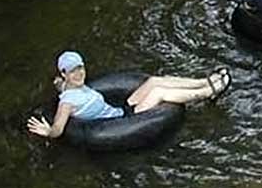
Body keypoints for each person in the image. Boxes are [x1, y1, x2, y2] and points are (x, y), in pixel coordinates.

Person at [27, 51, 231, 139]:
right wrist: (48, 131)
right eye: (73, 71)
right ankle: (208, 92)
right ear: (65, 73)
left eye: (80, 68)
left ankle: (204, 81)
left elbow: (65, 88)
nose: (80, 73)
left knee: (154, 81)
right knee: (160, 92)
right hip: (125, 118)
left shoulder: (69, 87)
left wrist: (60, 84)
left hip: (120, 108)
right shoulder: (66, 103)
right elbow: (58, 129)